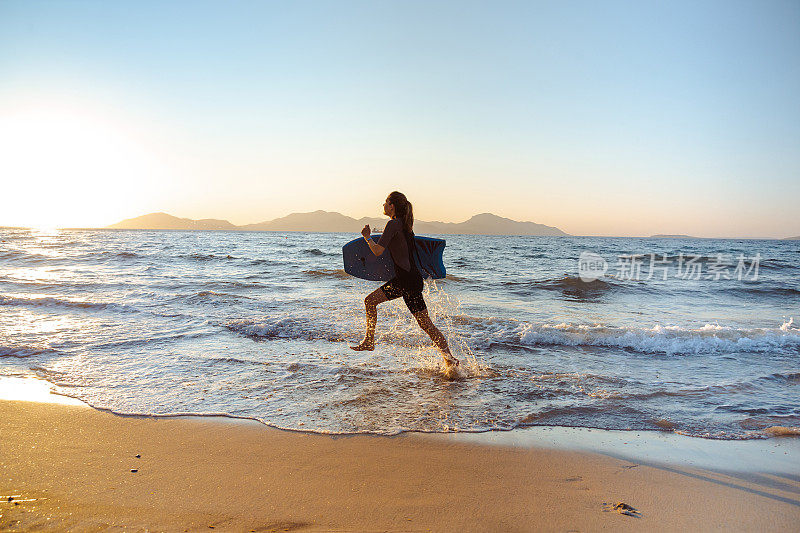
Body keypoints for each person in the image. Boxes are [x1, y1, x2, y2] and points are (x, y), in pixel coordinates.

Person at [350, 191, 460, 370]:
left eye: (386, 202)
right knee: (427, 325)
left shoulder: (393, 224)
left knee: (369, 302)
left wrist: (367, 237)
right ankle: (450, 359)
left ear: (392, 206)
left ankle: (369, 340)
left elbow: (378, 251)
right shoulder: (406, 225)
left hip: (405, 281)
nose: (383, 206)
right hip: (412, 280)